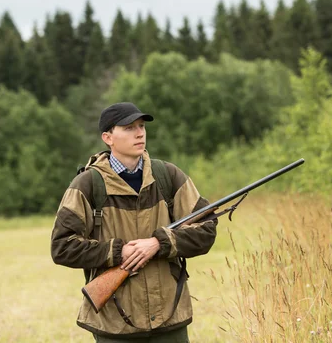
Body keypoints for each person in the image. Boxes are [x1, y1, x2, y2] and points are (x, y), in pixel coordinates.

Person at [51, 102, 218, 342]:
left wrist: (159, 243)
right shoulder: (87, 185)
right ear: (107, 137)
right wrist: (118, 252)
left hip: (169, 318)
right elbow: (62, 247)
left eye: (141, 126)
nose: (139, 133)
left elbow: (206, 229)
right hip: (114, 324)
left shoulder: (168, 176)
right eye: (129, 128)